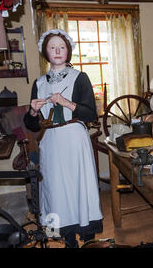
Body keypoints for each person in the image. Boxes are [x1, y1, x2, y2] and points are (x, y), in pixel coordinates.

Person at [24, 29, 103, 247]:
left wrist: (67, 103)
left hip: (75, 139)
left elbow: (90, 114)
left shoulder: (80, 78)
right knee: (55, 188)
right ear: (45, 52)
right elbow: (31, 125)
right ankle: (68, 239)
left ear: (68, 51)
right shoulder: (39, 84)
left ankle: (87, 237)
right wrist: (32, 111)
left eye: (62, 47)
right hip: (51, 141)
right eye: (52, 47)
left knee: (80, 186)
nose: (58, 51)